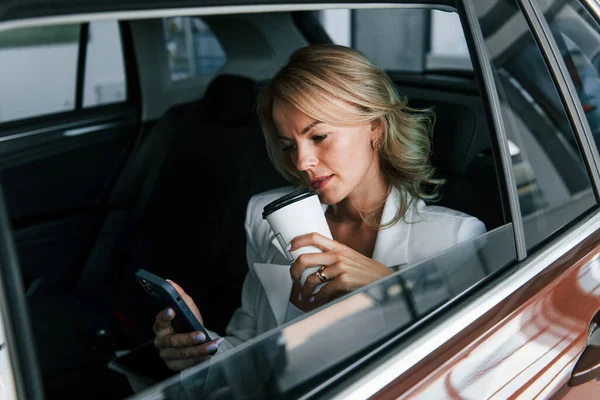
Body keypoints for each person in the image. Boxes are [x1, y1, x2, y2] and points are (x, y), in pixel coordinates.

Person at [152, 44, 486, 372]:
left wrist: (391, 286)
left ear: (375, 126)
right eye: (288, 145)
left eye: (319, 137)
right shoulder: (264, 216)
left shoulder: (455, 238)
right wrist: (203, 351)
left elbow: (466, 366)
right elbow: (251, 349)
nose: (301, 161)